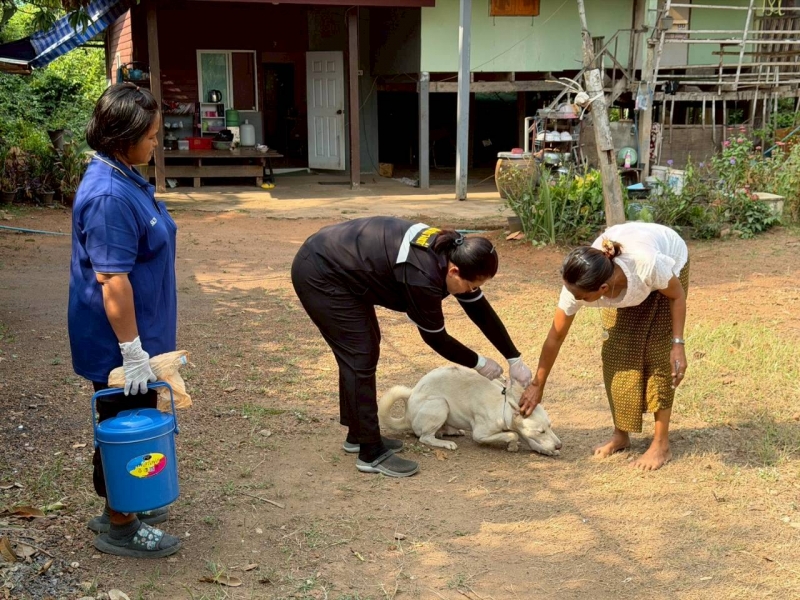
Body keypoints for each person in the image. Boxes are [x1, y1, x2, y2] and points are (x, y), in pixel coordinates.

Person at [291, 217, 533, 477]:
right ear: (454, 272)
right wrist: (479, 363)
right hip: (321, 272)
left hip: (343, 267)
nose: (472, 291)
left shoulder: (452, 252)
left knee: (364, 349)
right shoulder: (423, 277)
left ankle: (359, 435)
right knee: (360, 355)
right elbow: (436, 338)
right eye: (472, 285)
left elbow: (478, 308)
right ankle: (370, 453)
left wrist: (513, 358)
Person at [68, 83, 181, 557]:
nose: (156, 143)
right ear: (123, 137)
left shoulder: (125, 175)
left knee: (132, 417)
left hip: (138, 334)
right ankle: (120, 523)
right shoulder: (109, 196)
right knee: (122, 422)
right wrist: (133, 352)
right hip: (119, 341)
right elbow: (112, 281)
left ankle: (124, 501)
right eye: (151, 136)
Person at [518, 222, 689, 471]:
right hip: (625, 269)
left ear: (603, 289)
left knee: (658, 355)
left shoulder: (648, 265)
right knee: (615, 354)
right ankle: (621, 435)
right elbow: (555, 337)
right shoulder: (580, 283)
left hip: (667, 259)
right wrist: (537, 384)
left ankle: (661, 444)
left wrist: (678, 344)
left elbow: (677, 295)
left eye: (582, 297)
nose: (576, 299)